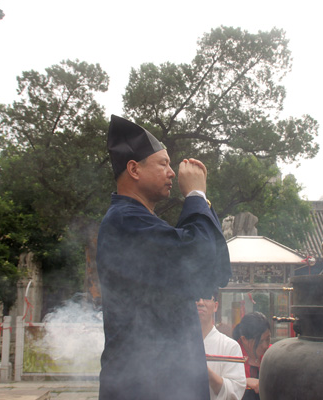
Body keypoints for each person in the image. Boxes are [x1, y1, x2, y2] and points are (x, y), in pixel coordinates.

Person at [96, 115, 232, 400]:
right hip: (148, 385)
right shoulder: (126, 221)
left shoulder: (140, 222)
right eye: (163, 164)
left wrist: (200, 200)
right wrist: (195, 194)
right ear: (133, 169)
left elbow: (210, 268)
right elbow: (199, 259)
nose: (172, 172)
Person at [197, 292, 246, 400]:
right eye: (196, 298)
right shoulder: (175, 346)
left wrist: (204, 369)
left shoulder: (230, 347)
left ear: (215, 306)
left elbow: (234, 392)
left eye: (206, 298)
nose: (200, 302)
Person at [232, 312, 271, 400]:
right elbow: (221, 384)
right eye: (260, 341)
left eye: (268, 339)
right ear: (244, 339)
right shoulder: (233, 355)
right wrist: (244, 382)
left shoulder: (272, 354)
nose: (265, 346)